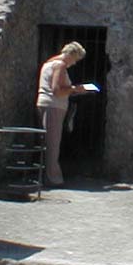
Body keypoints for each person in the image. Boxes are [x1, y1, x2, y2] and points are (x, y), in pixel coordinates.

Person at [35, 41, 88, 187]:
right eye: (75, 59)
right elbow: (57, 90)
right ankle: (53, 178)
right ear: (71, 55)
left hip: (45, 103)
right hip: (54, 106)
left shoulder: (49, 63)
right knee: (53, 143)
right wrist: (75, 89)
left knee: (46, 141)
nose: (75, 63)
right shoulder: (60, 65)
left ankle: (45, 175)